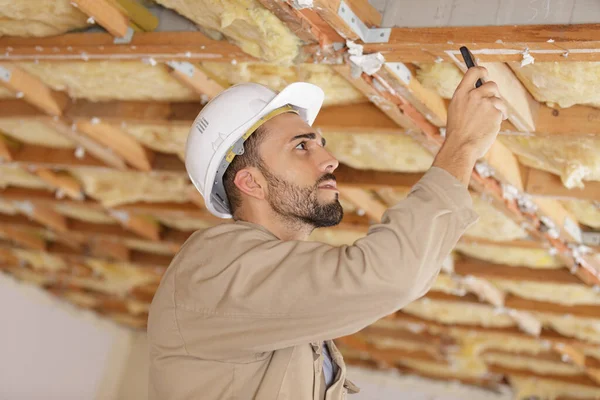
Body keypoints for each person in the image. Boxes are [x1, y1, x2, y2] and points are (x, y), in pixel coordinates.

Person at [147, 66, 508, 400]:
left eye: (319, 143)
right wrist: (461, 146)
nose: (329, 159)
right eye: (302, 146)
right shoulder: (214, 269)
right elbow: (389, 275)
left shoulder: (267, 288)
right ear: (250, 182)